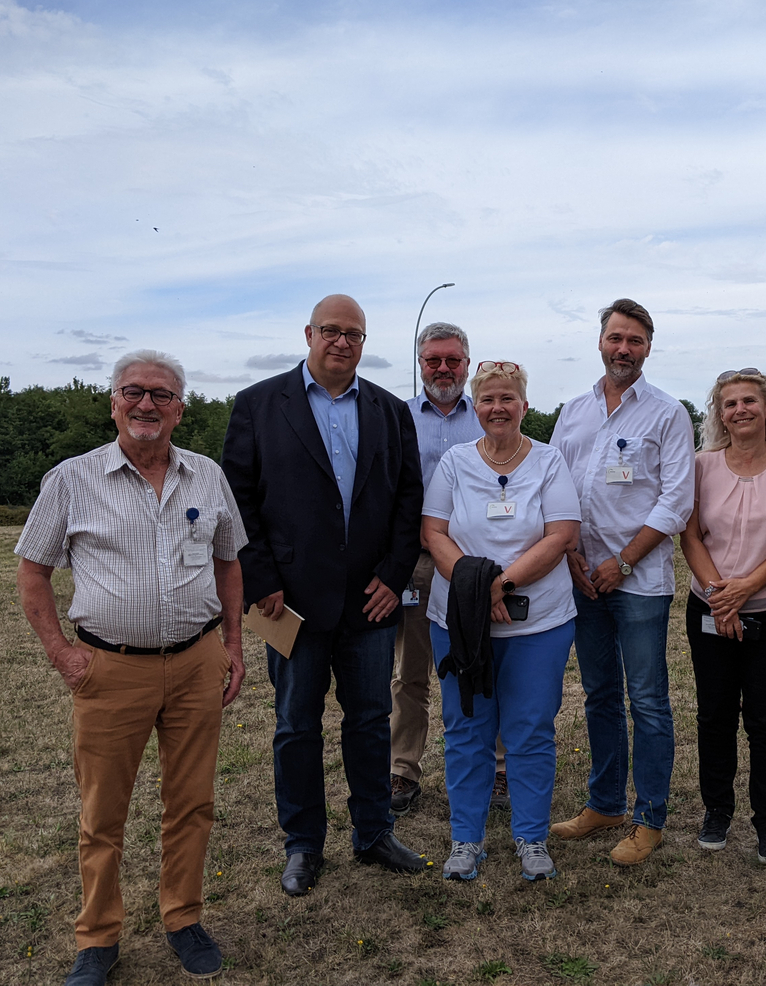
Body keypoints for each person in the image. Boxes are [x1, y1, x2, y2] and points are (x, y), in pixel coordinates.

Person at [14, 350, 246, 986]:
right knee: (102, 811)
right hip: (110, 669)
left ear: (180, 407)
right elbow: (33, 570)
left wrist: (233, 643)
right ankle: (97, 936)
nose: (147, 404)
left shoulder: (207, 478)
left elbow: (229, 562)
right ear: (112, 400)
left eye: (162, 395)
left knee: (192, 801)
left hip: (197, 662)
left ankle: (183, 916)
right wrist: (63, 653)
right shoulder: (72, 479)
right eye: (134, 392)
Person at [221, 294, 427, 896]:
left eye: (355, 335)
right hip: (290, 605)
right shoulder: (259, 405)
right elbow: (239, 498)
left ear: (365, 343)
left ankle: (373, 832)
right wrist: (261, 580)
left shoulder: (390, 411)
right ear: (309, 333)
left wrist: (393, 576)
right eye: (332, 331)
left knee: (368, 722)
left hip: (371, 602)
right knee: (295, 726)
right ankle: (304, 845)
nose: (343, 342)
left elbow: (407, 499)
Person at [549, 298, 696, 866]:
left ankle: (650, 817)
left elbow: (676, 498)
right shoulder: (574, 411)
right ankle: (605, 803)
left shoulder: (665, 413)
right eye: (616, 338)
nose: (623, 349)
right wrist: (571, 559)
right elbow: (555, 486)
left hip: (637, 582)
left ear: (649, 347)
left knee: (649, 701)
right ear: (601, 341)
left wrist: (624, 561)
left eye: (635, 341)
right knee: (599, 696)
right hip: (582, 580)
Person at [422, 360, 582, 881]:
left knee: (530, 730)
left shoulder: (550, 462)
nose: (497, 408)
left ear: (524, 406)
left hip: (540, 623)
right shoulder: (454, 463)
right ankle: (466, 839)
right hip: (461, 623)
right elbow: (435, 532)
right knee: (467, 729)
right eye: (487, 399)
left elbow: (561, 535)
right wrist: (475, 590)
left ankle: (531, 838)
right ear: (477, 406)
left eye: (507, 399)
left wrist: (499, 585)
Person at [678, 368, 766, 863]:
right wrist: (721, 595)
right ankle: (717, 809)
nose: (740, 410)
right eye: (730, 403)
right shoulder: (701, 466)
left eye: (749, 401)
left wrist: (745, 589)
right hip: (710, 609)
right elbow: (690, 535)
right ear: (719, 414)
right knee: (714, 715)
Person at [392, 322, 509, 816]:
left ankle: (499, 768)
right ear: (420, 364)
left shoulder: (486, 414)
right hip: (416, 562)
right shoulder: (395, 417)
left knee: (490, 660)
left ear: (467, 362)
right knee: (410, 670)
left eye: (453, 360)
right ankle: (402, 770)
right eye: (433, 360)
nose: (443, 369)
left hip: (480, 565)